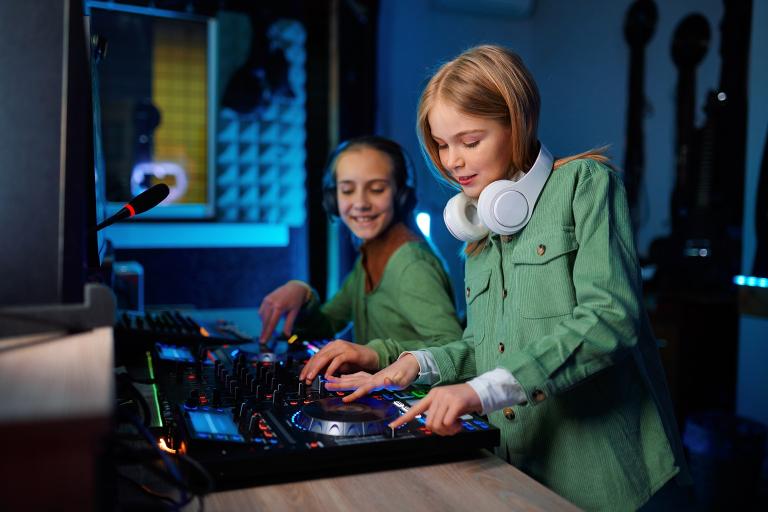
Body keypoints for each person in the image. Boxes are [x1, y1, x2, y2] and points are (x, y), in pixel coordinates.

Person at [325, 46, 690, 511]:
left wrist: (483, 391)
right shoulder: (479, 231)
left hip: (616, 487)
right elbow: (484, 346)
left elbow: (609, 319)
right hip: (523, 472)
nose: (453, 161)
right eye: (441, 144)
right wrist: (415, 364)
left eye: (470, 141)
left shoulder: (587, 184)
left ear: (516, 123)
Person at [258, 135, 463, 380]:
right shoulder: (369, 256)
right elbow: (327, 325)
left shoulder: (411, 265)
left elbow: (452, 348)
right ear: (334, 199)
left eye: (376, 189)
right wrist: (303, 294)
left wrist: (374, 354)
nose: (360, 203)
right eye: (347, 190)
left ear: (400, 195)